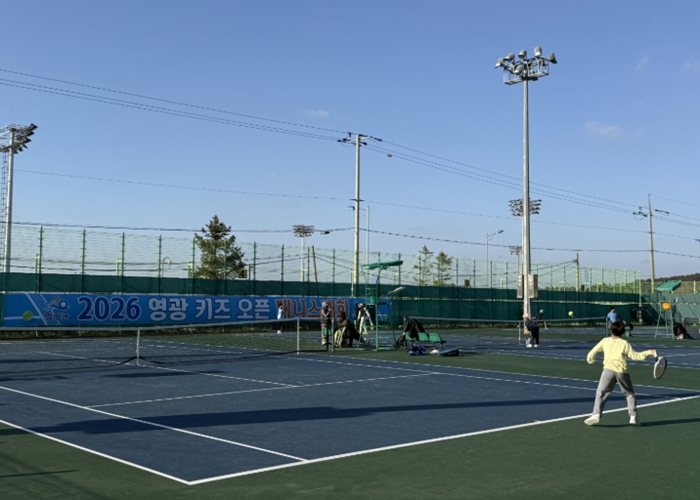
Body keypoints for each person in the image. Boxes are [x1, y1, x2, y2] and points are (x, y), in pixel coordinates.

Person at [584, 321, 657, 426]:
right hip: (622, 372)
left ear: (610, 331)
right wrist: (650, 352)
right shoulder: (624, 343)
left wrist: (591, 360)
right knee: (629, 394)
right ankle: (633, 417)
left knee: (601, 392)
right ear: (623, 332)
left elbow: (592, 353)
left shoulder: (605, 341)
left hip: (608, 371)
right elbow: (636, 356)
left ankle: (596, 414)